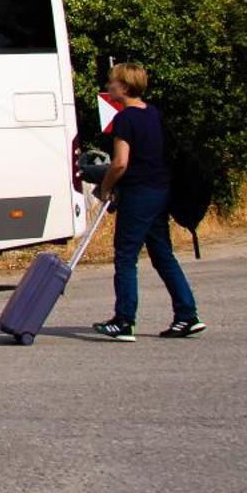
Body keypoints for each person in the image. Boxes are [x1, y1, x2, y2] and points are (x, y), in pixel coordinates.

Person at [90, 63, 204, 341]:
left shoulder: (125, 119)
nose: (108, 86)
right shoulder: (153, 113)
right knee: (163, 254)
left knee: (126, 256)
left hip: (139, 193)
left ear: (125, 87)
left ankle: (124, 320)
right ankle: (187, 314)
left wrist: (105, 188)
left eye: (112, 82)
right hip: (160, 191)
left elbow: (120, 163)